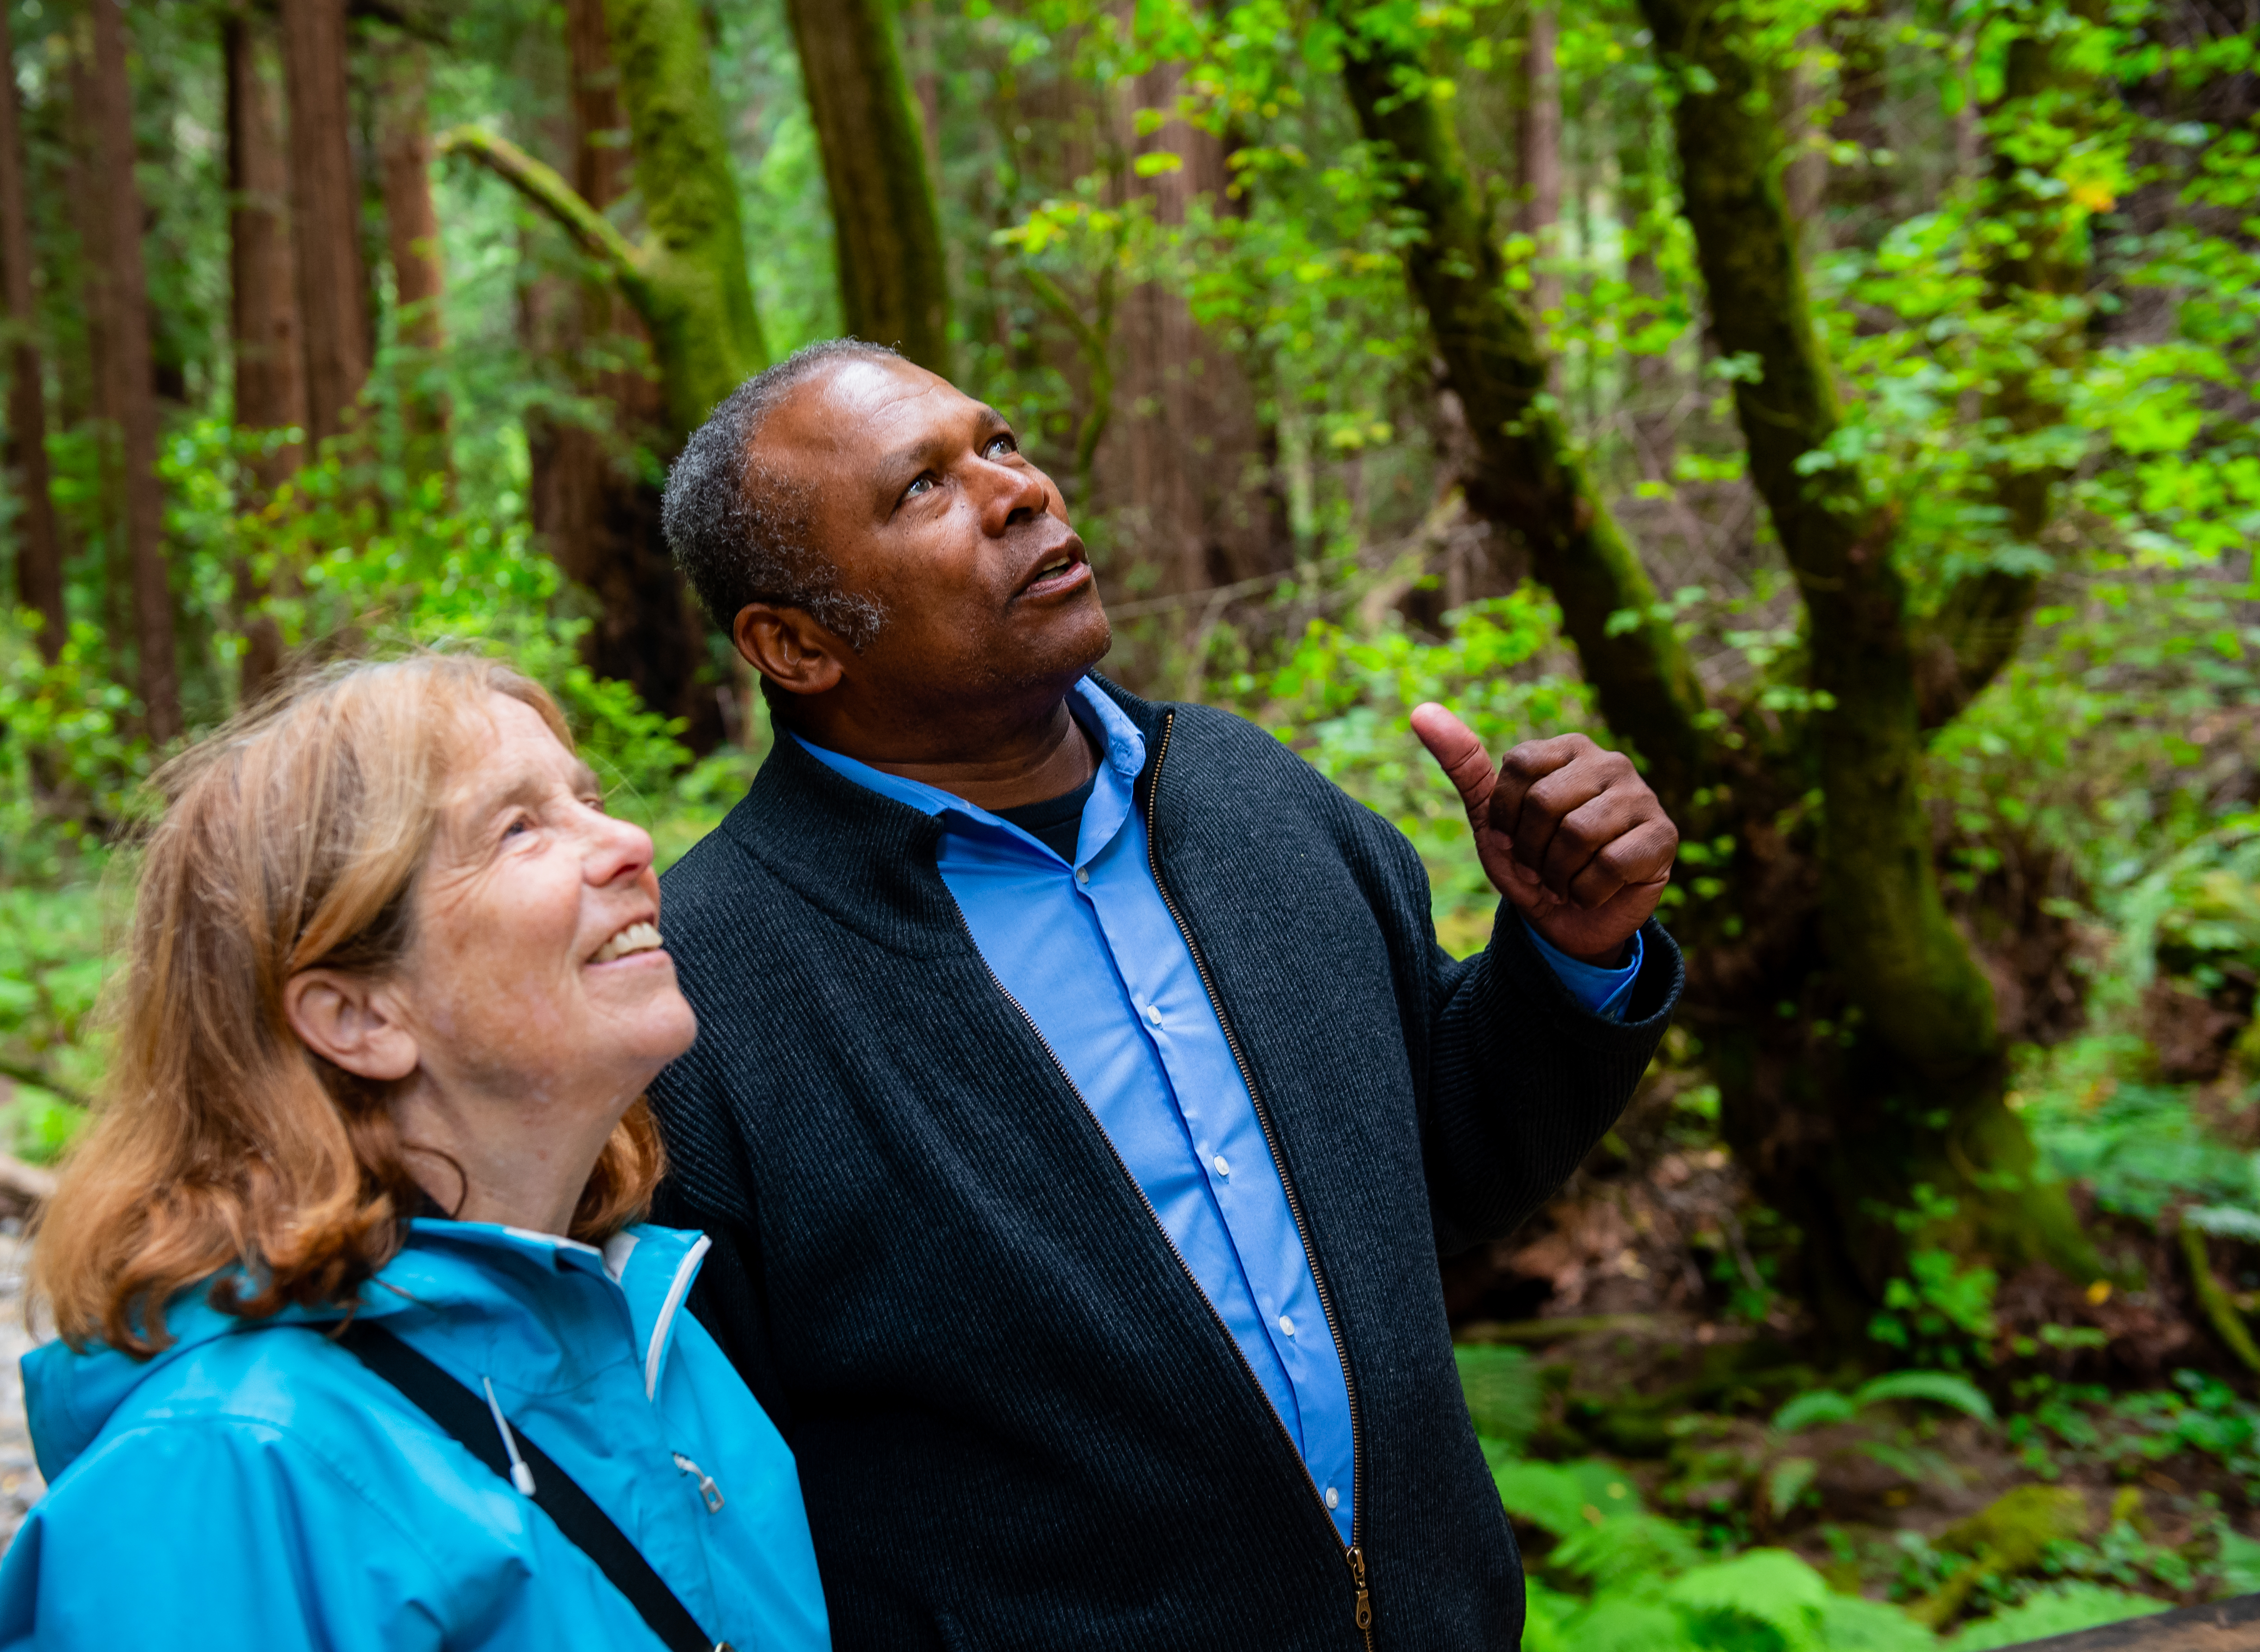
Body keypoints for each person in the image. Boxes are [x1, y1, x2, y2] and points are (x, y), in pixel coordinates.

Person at [647, 341, 1685, 1650]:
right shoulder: (705, 990)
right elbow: (707, 1498)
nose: (1019, 490)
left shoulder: (1252, 801)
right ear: (793, 643)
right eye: (921, 488)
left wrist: (1567, 954)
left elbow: (1450, 1165)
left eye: (1001, 442)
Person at [0, 655, 829, 1652]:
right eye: (519, 829)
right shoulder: (225, 1470)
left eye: (588, 799)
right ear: (358, 1015)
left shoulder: (651, 1328)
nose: (631, 843)